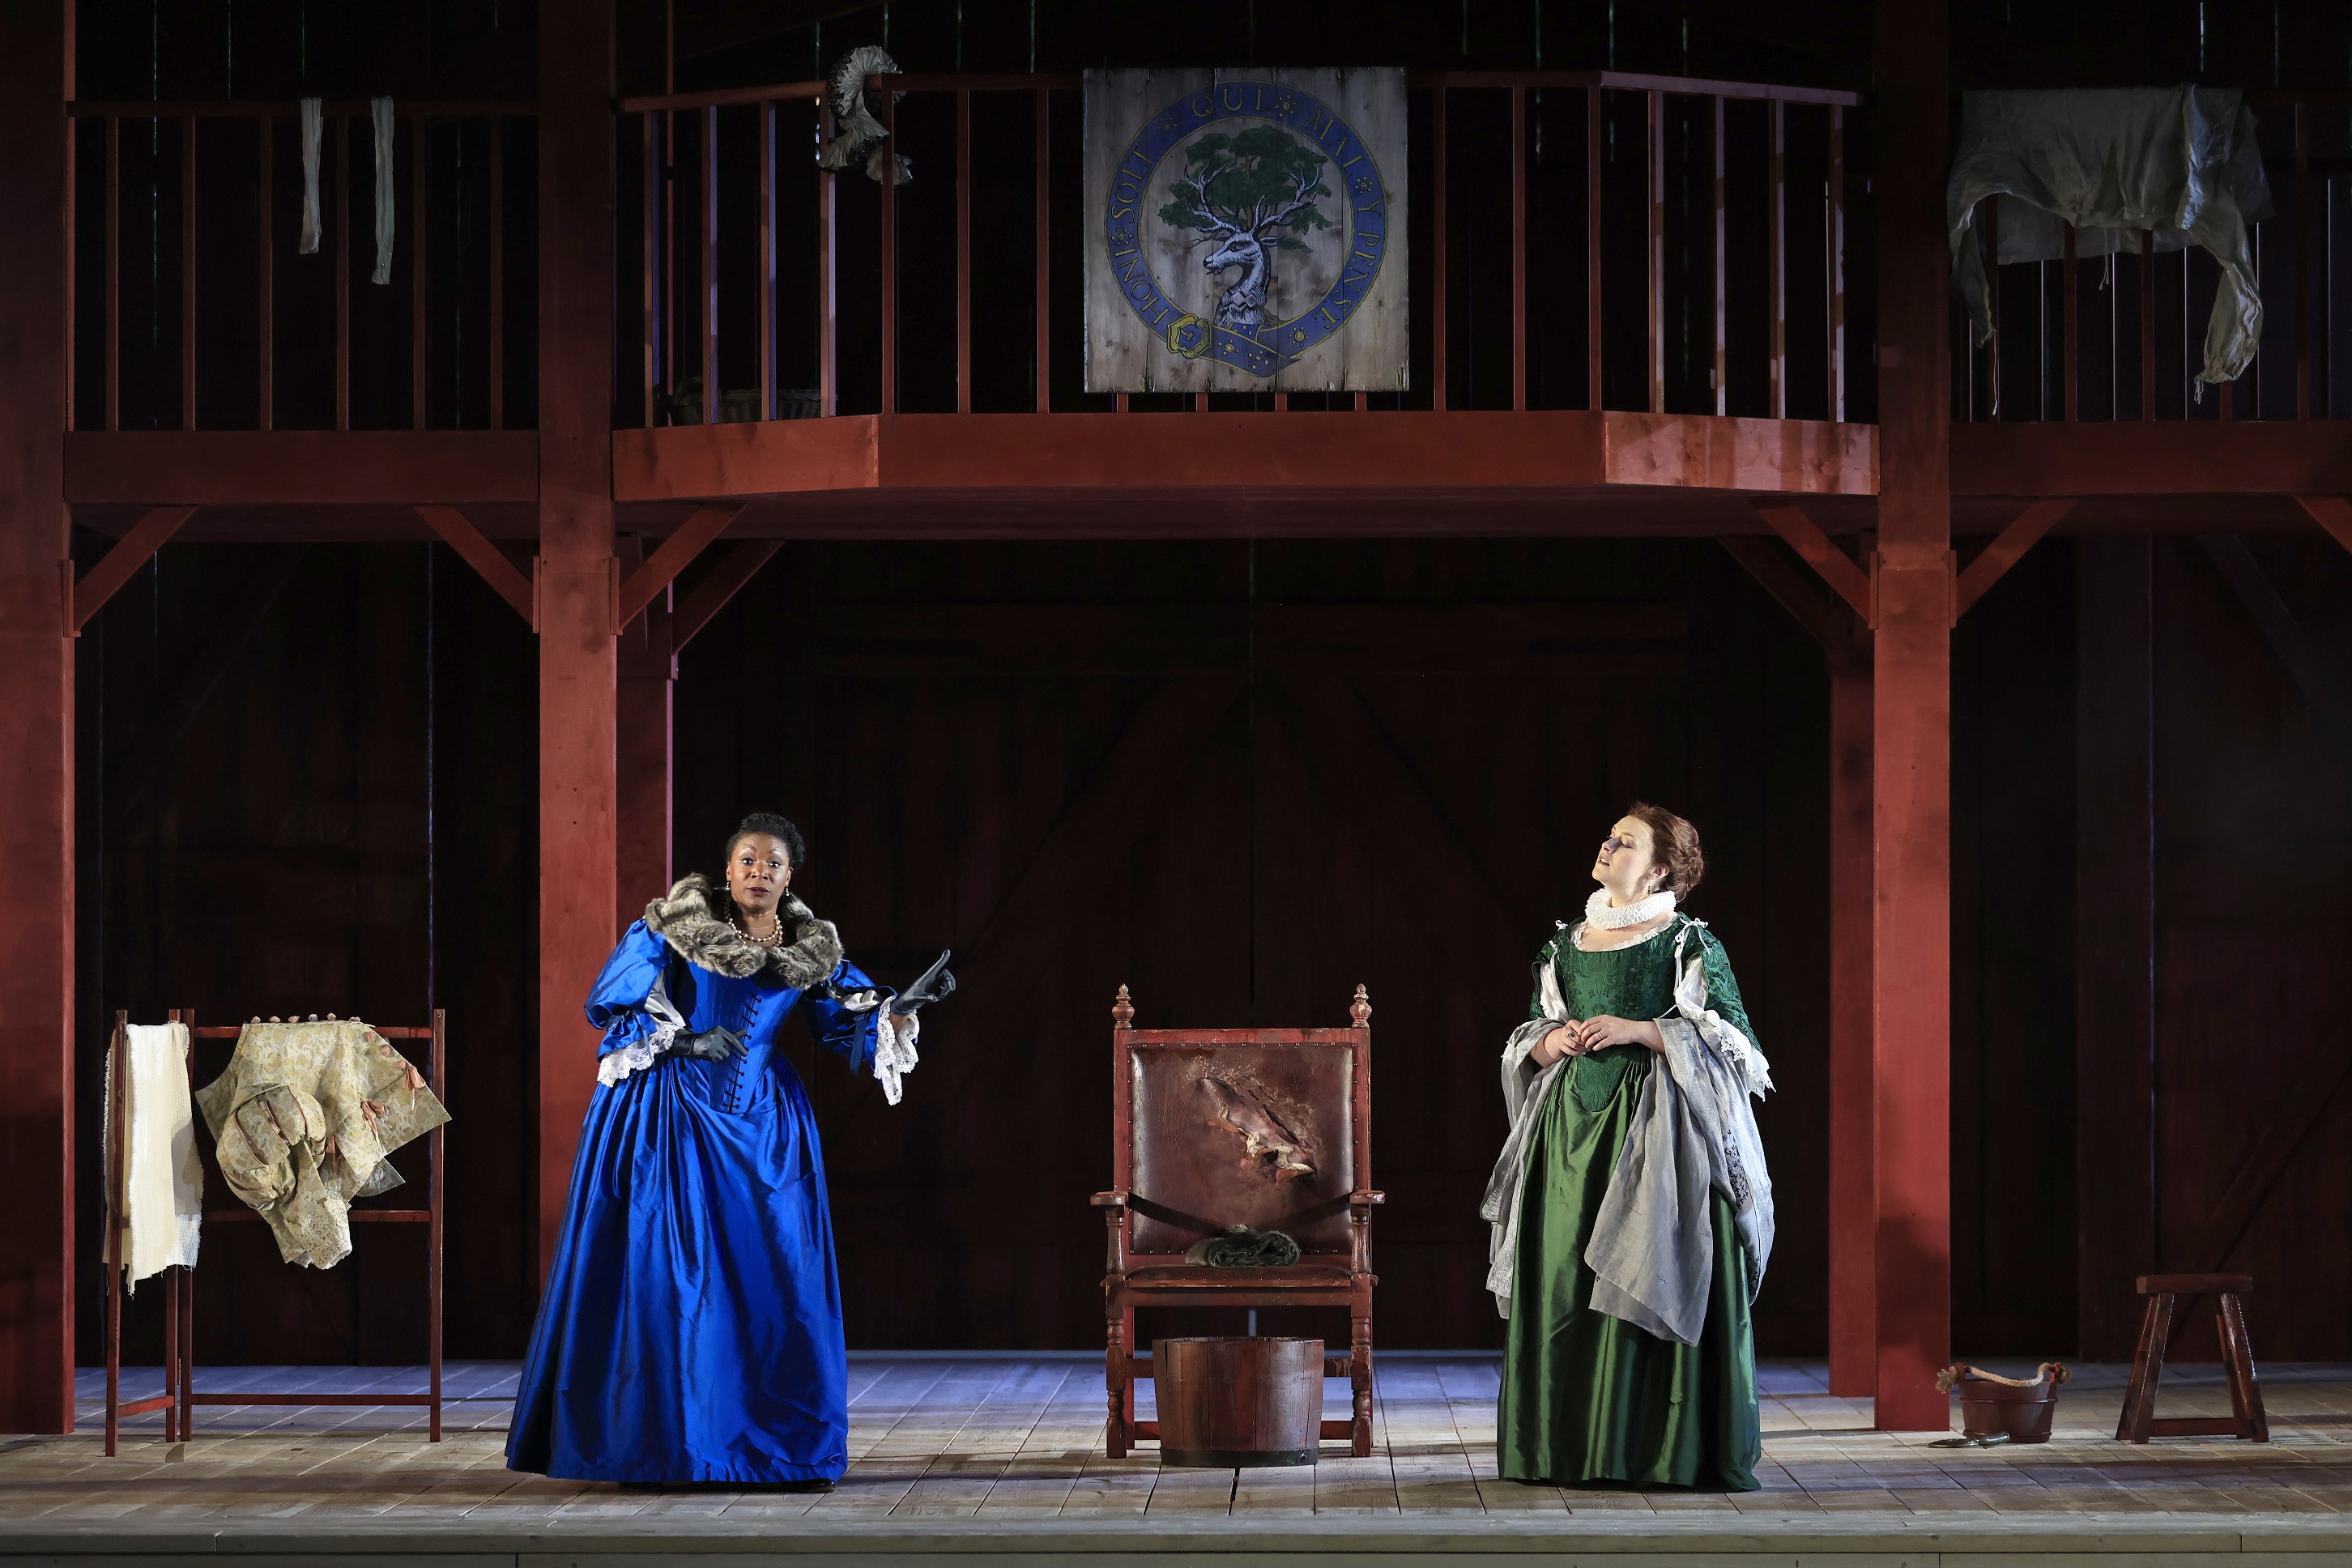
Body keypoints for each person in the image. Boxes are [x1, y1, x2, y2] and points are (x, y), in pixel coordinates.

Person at [508, 812, 954, 1487]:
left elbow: (845, 1020)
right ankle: (667, 1444)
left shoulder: (810, 946)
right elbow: (614, 1004)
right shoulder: (674, 927)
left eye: (772, 864)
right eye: (747, 860)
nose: (758, 872)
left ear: (789, 875)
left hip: (764, 1129)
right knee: (672, 1279)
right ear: (727, 869)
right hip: (671, 1116)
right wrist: (684, 1040)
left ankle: (771, 1447)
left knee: (771, 1278)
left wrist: (899, 1009)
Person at [1481, 803, 1774, 1491]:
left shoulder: (1686, 942)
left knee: (1653, 1263)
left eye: (1626, 842)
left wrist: (1645, 1031)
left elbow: (1738, 1049)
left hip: (1658, 1134)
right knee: (1564, 1279)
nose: (1607, 846)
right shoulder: (1563, 947)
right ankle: (1563, 1447)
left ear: (1661, 867)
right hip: (1569, 1138)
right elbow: (1536, 1030)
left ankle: (1660, 1449)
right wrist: (1553, 1042)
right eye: (1609, 836)